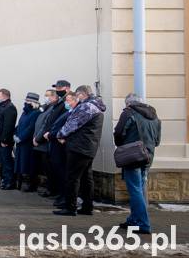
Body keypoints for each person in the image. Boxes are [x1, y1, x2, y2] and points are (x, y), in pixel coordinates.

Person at [53, 85, 106, 216]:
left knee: (73, 178)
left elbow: (73, 123)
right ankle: (87, 207)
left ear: (82, 94)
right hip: (88, 147)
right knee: (86, 178)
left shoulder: (86, 107)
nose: (77, 98)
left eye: (78, 95)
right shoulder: (96, 107)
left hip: (79, 147)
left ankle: (70, 207)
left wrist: (60, 134)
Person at [114, 93, 161, 235]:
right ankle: (133, 220)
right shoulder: (154, 115)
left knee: (135, 190)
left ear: (128, 103)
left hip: (133, 156)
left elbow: (119, 133)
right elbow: (157, 140)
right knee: (138, 189)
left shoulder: (128, 113)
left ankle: (142, 223)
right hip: (148, 156)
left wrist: (123, 146)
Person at [35, 81, 71, 199]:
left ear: (67, 89)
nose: (58, 90)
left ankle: (63, 195)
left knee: (60, 170)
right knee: (54, 168)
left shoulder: (64, 104)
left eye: (60, 88)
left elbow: (59, 123)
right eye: (57, 88)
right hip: (50, 139)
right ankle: (59, 193)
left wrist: (50, 135)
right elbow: (47, 122)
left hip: (57, 140)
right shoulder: (57, 104)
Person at [13, 93, 41, 192]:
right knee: (19, 164)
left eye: (28, 101)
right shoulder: (25, 112)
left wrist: (21, 137)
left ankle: (31, 185)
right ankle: (18, 183)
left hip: (27, 143)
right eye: (26, 100)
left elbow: (31, 128)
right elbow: (19, 124)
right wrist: (15, 134)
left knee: (28, 164)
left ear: (34, 103)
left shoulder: (36, 113)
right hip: (20, 142)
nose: (26, 103)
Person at [32, 90, 57, 196]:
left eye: (47, 95)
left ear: (54, 97)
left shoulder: (52, 108)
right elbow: (38, 124)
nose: (45, 97)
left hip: (44, 144)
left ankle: (52, 190)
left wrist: (37, 139)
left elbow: (46, 126)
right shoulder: (45, 107)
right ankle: (49, 188)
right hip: (38, 142)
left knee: (49, 169)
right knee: (44, 168)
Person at [0, 89, 18, 190]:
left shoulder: (10, 108)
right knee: (3, 161)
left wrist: (4, 140)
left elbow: (8, 126)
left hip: (5, 141)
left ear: (5, 96)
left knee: (7, 161)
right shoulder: (2, 106)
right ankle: (5, 180)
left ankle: (9, 182)